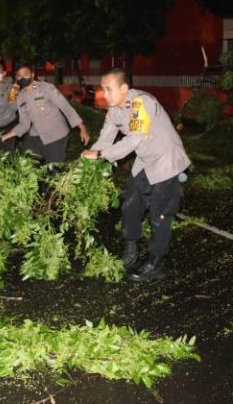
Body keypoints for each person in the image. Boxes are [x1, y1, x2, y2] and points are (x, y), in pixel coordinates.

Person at [81, 68, 190, 283]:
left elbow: (133, 140)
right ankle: (130, 251)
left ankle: (156, 264)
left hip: (167, 162)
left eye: (108, 89)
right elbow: (105, 137)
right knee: (130, 204)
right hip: (145, 162)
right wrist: (88, 158)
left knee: (159, 216)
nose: (104, 94)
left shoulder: (141, 103)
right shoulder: (114, 110)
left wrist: (101, 155)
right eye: (102, 89)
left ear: (123, 88)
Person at [1, 63, 90, 163]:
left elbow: (66, 107)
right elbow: (24, 124)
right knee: (26, 164)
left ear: (32, 75)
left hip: (56, 135)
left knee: (53, 170)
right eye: (19, 75)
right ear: (16, 78)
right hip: (36, 136)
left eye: (25, 74)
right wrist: (6, 136)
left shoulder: (46, 88)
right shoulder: (20, 97)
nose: (22, 77)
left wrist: (82, 128)